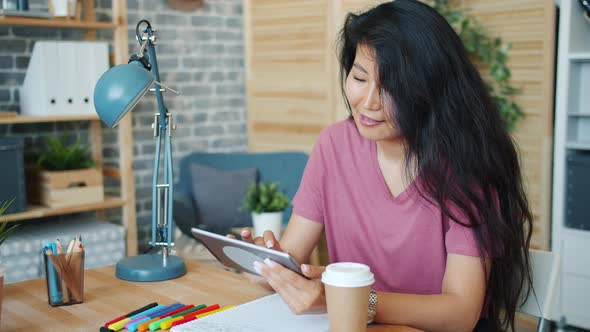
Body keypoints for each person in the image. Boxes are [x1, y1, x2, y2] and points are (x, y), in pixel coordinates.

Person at [230, 1, 533, 331]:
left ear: (431, 91)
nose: (368, 102)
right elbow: (293, 256)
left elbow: (461, 312)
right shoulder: (334, 145)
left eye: (391, 87)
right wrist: (266, 263)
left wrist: (352, 300)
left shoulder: (465, 164)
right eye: (359, 77)